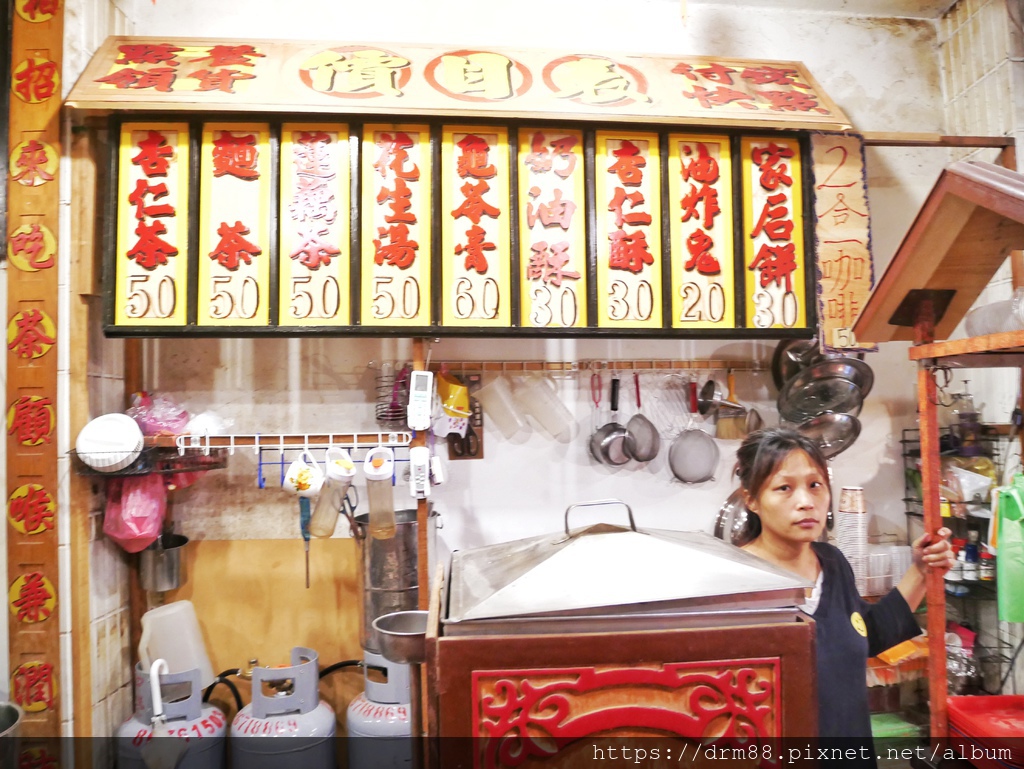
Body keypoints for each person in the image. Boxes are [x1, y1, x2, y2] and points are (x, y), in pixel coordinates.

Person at [734, 427, 955, 756]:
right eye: (784, 488)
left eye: (815, 485)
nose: (806, 502)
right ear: (752, 499)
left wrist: (921, 570)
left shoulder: (833, 563)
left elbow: (869, 634)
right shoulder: (736, 582)